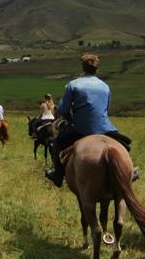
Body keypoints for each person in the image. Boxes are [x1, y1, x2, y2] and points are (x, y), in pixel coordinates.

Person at [44, 53, 134, 187]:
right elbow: (106, 109)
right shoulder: (105, 86)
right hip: (105, 128)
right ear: (97, 69)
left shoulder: (73, 85)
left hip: (80, 128)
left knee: (57, 143)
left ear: (83, 67)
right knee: (124, 145)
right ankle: (130, 172)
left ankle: (57, 174)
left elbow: (62, 109)